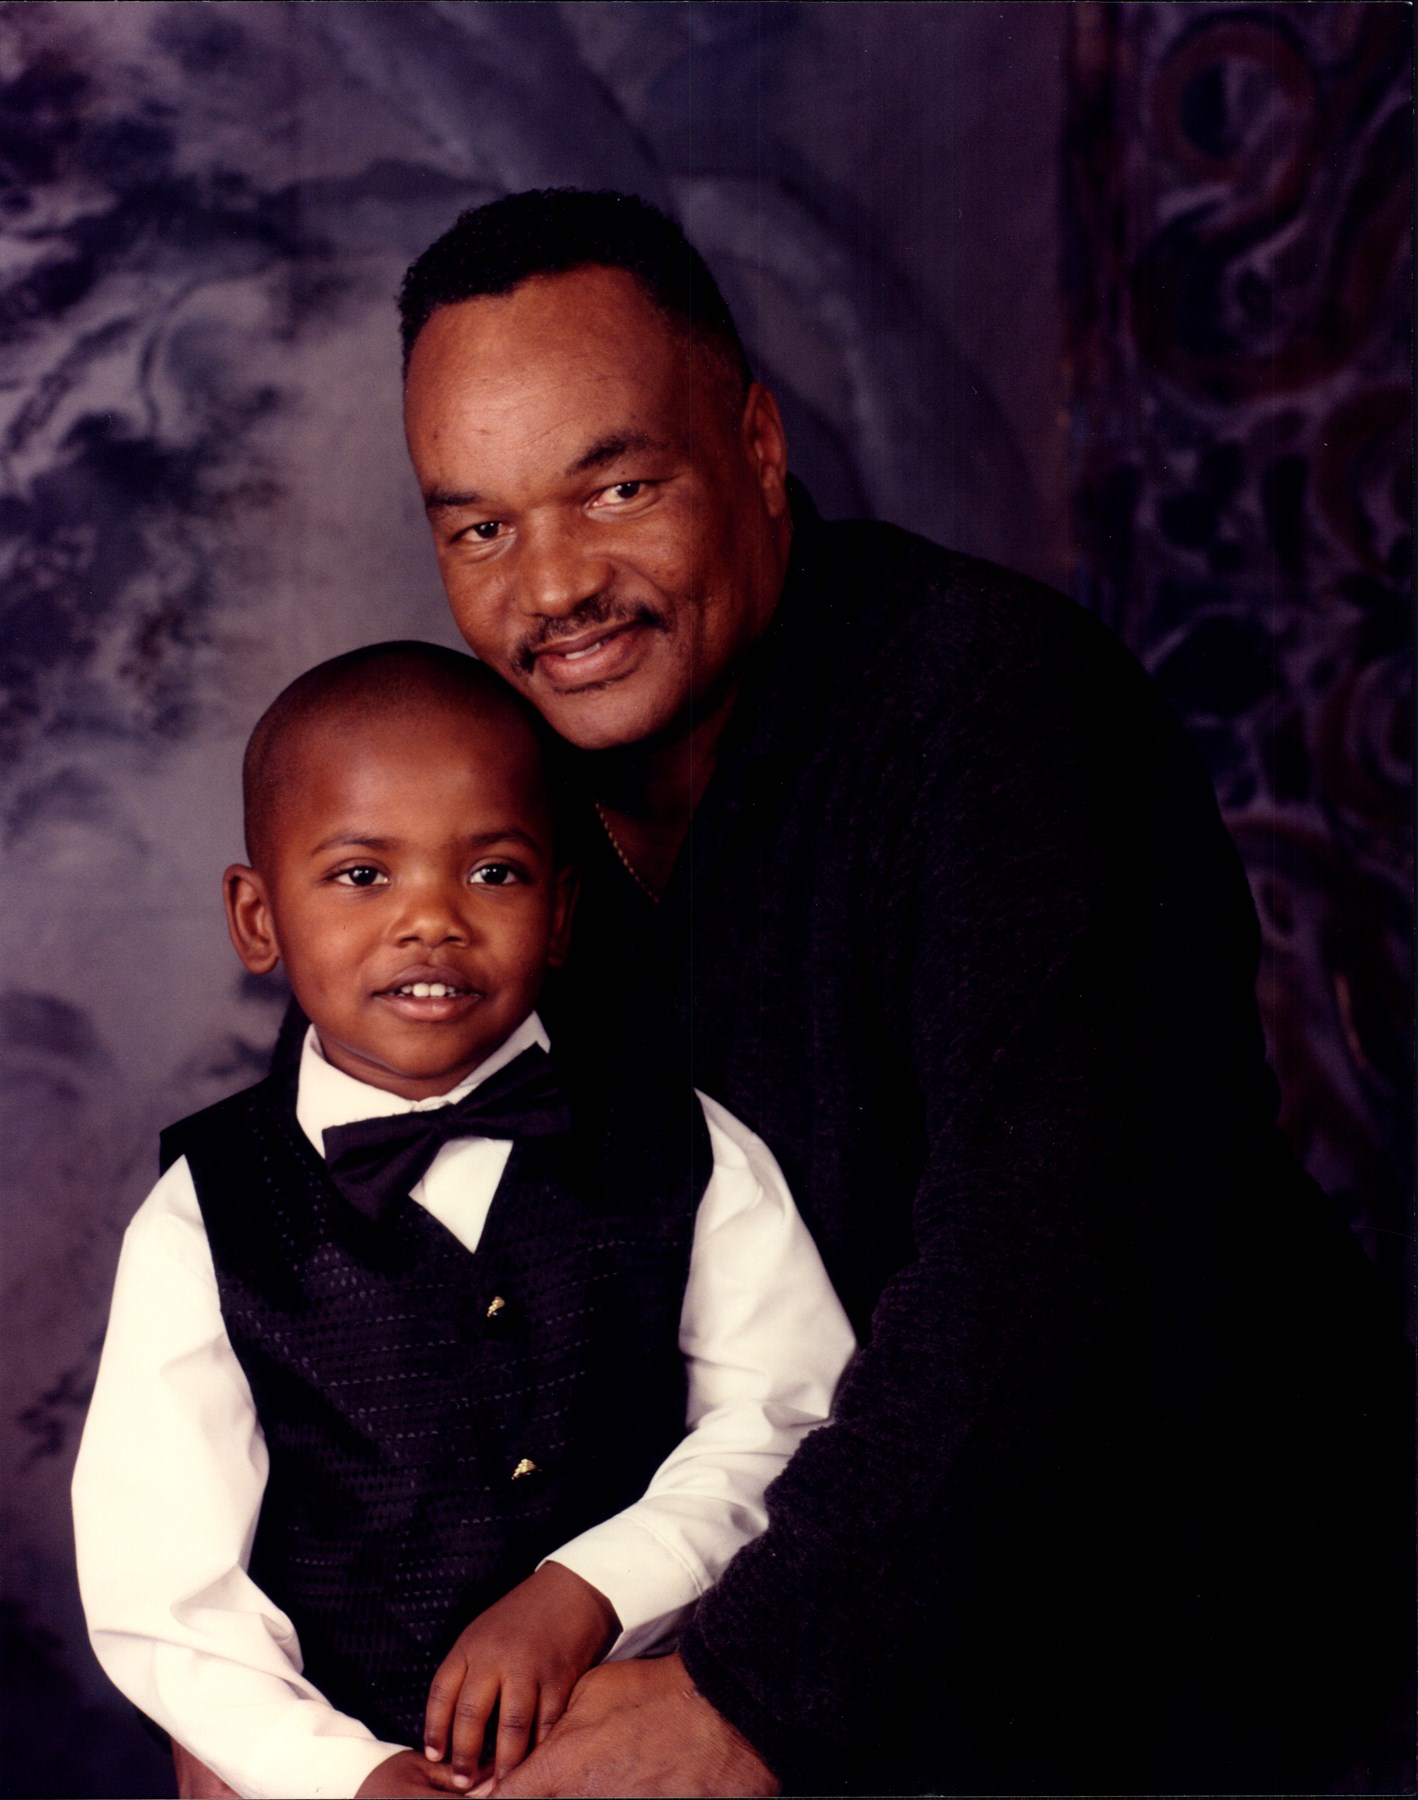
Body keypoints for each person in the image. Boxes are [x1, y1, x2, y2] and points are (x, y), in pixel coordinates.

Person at [388, 189, 1413, 1796]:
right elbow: (343, 1237)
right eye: (481, 529)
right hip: (763, 1643)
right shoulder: (474, 808)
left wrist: (740, 1695)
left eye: (618, 488)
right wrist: (266, 1690)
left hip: (1195, 1658)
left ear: (757, 445)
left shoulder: (1004, 718)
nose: (556, 586)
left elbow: (1046, 1267)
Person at [72, 643, 854, 1800]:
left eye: (492, 872)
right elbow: (165, 1585)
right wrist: (339, 1774)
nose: (431, 920)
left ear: (561, 911)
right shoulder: (202, 1216)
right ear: (257, 915)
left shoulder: (686, 1145)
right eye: (360, 874)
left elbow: (786, 1417)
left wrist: (591, 1588)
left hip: (635, 1759)